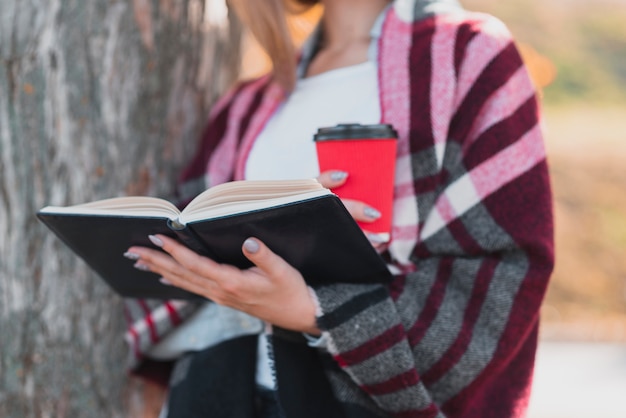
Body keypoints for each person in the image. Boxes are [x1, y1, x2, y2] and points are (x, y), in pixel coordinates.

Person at [122, 0, 554, 417]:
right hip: (216, 390)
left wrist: (316, 310)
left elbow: (501, 274)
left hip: (350, 402)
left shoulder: (468, 56)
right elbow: (189, 232)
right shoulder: (248, 103)